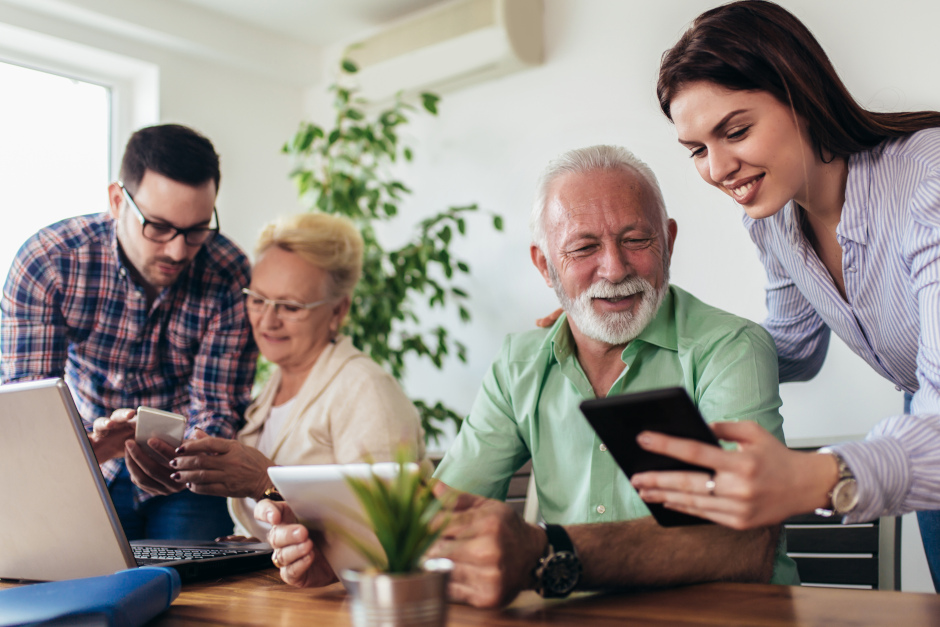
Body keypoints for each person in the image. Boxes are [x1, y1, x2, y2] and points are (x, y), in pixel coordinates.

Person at [257, 145, 799, 608]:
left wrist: (547, 551)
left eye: (637, 240)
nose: (614, 268)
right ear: (545, 266)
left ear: (669, 242)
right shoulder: (520, 363)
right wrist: (348, 553)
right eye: (584, 247)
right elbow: (444, 512)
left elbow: (747, 543)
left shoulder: (730, 348)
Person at [628, 0, 940, 591]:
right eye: (697, 149)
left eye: (735, 131)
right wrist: (639, 335)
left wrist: (815, 476)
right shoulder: (774, 222)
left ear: (801, 95)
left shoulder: (929, 179)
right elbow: (791, 349)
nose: (718, 168)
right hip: (924, 424)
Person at [0, 124, 257, 541]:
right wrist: (91, 448)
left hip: (187, 473)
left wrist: (180, 455)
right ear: (117, 201)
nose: (178, 251)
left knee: (195, 579)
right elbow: (34, 412)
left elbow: (218, 409)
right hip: (86, 461)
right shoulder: (49, 262)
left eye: (196, 229)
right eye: (159, 226)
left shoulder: (228, 273)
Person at [161, 213, 426, 539]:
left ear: (338, 311)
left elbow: (385, 528)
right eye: (258, 300)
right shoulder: (268, 394)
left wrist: (263, 481)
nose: (267, 321)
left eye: (290, 307)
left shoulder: (366, 390)